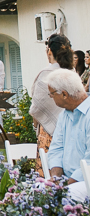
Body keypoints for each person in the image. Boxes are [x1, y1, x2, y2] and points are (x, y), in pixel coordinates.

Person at [29, 34, 74, 172]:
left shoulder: (46, 73)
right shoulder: (72, 73)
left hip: (48, 133)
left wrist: (35, 125)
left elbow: (37, 105)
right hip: (70, 128)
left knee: (48, 173)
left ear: (49, 51)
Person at [46, 69, 90, 201]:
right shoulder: (64, 115)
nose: (51, 97)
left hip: (85, 179)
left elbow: (89, 162)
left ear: (64, 94)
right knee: (36, 191)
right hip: (68, 180)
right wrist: (55, 179)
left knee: (68, 196)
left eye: (51, 94)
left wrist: (65, 185)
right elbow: (56, 149)